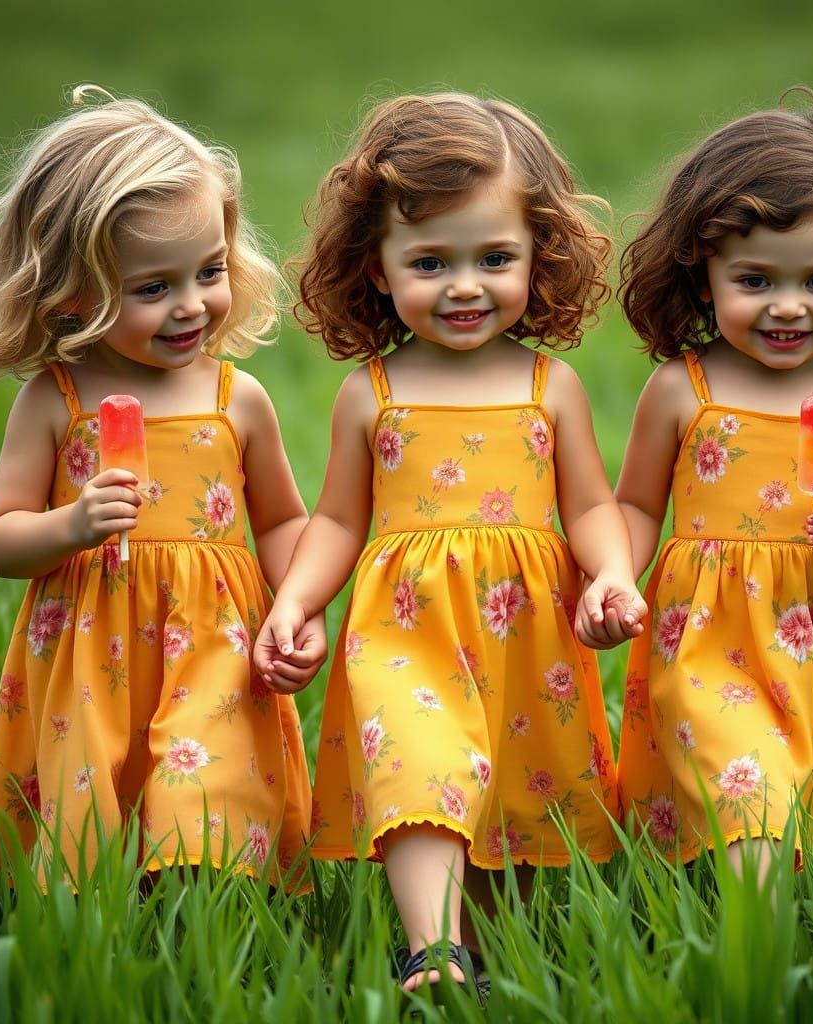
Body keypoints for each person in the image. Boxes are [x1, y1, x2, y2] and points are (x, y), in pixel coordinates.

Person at [254, 92, 644, 992]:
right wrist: (296, 599)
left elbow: (590, 506)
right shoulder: (373, 391)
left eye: (494, 258)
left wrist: (613, 573)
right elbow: (342, 519)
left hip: (527, 631)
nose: (465, 286)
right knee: (419, 764)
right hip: (407, 625)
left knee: (512, 787)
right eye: (430, 261)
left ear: (538, 256)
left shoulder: (552, 385)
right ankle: (433, 949)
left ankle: (498, 955)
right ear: (378, 269)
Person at [0, 86, 325, 890]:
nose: (192, 306)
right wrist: (73, 523)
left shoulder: (238, 399)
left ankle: (210, 933)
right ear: (74, 292)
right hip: (95, 651)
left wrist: (299, 606)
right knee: (99, 814)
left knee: (208, 796)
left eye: (209, 272)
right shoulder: (56, 401)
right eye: (153, 288)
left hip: (217, 647)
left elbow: (282, 522)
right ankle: (116, 931)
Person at [613, 98, 813, 882]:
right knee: (746, 792)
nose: (788, 306)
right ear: (702, 276)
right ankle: (749, 951)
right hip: (708, 636)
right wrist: (615, 577)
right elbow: (633, 506)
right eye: (755, 279)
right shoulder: (681, 389)